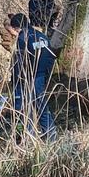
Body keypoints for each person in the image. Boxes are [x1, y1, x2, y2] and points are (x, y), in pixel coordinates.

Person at [8, 12, 57, 140]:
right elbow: (51, 57)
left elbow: (20, 63)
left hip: (29, 78)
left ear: (15, 28)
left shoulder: (22, 38)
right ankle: (51, 135)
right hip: (41, 76)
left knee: (23, 109)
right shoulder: (42, 37)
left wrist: (15, 81)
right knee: (41, 106)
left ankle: (26, 137)